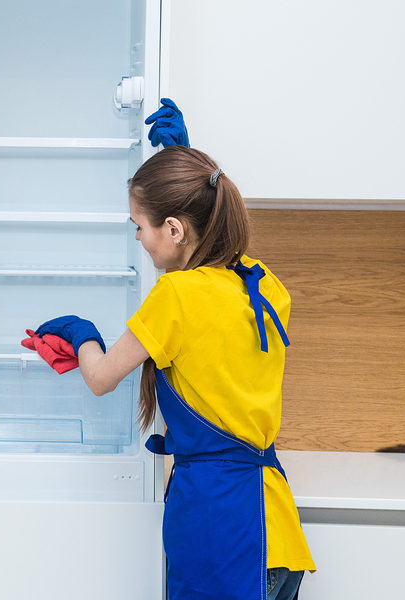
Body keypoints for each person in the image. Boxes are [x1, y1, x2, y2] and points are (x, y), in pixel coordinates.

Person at [35, 100, 315, 600]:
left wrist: (82, 334)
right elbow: (218, 241)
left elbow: (100, 378)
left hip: (220, 533)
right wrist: (183, 163)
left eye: (139, 226)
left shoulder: (175, 297)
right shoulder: (264, 283)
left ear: (174, 228)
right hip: (275, 531)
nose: (139, 239)